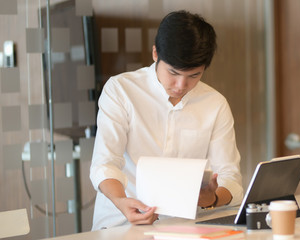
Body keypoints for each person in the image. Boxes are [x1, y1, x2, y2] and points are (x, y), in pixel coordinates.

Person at [89, 10, 243, 230]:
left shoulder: (215, 104)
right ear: (155, 54)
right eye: (173, 72)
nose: (181, 85)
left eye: (193, 76)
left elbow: (230, 177)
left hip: (186, 226)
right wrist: (121, 202)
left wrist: (214, 199)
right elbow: (105, 163)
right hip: (121, 222)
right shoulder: (121, 90)